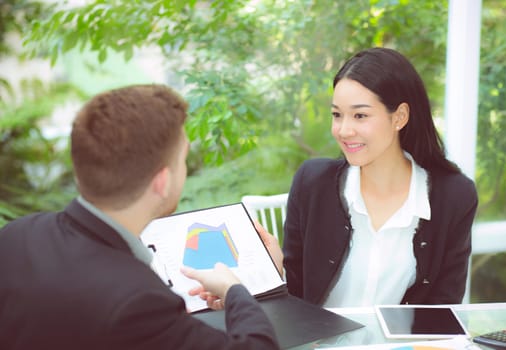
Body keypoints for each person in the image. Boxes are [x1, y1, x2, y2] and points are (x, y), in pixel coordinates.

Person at [0, 84, 279, 350]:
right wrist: (234, 290)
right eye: (182, 159)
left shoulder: (16, 236)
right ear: (162, 182)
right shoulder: (139, 303)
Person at [261, 47, 478, 307]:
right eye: (337, 115)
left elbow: (444, 307)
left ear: (399, 117)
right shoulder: (312, 182)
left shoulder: (453, 196)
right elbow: (296, 295)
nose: (344, 130)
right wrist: (274, 272)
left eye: (360, 115)